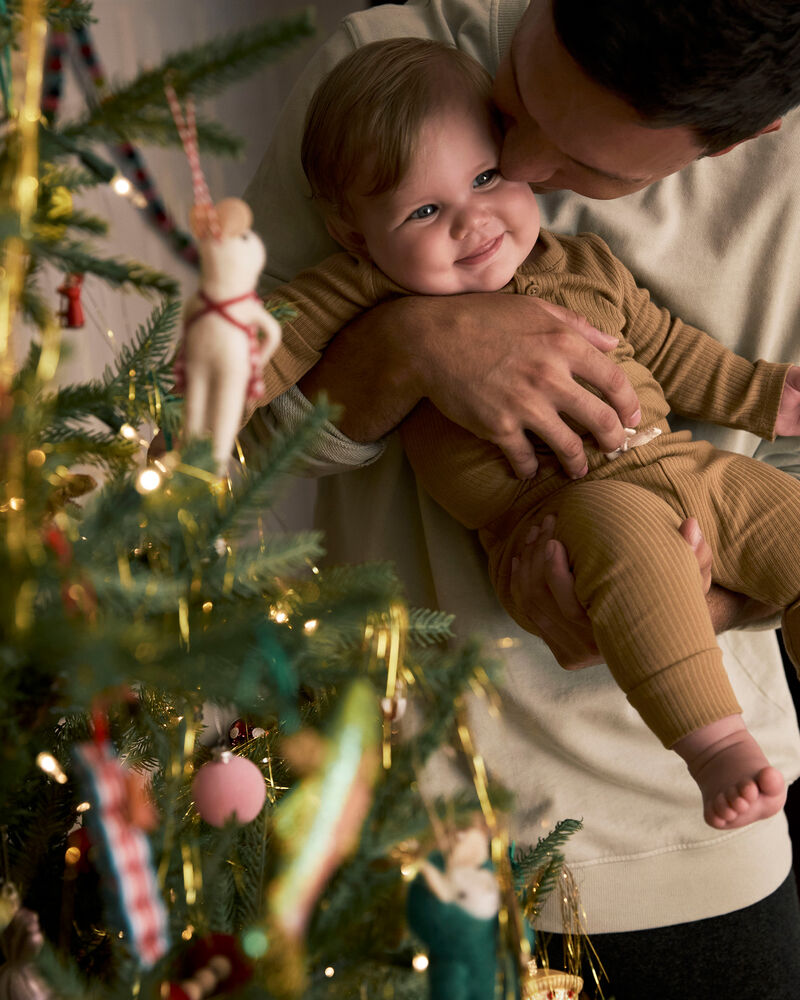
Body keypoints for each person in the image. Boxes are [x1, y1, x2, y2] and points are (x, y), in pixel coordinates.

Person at [240, 1, 800, 995]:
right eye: (515, 101)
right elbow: (218, 436)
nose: (526, 165)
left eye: (588, 167)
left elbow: (706, 380)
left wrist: (668, 596)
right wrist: (410, 346)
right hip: (427, 816)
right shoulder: (382, 70)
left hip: (689, 838)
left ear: (748, 135)